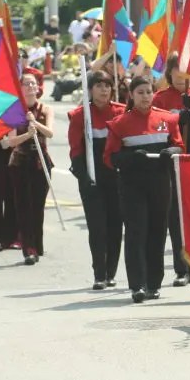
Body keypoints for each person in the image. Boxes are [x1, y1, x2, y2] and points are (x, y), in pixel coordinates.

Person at [104, 77, 184, 303]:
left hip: (160, 182)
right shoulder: (120, 123)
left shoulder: (167, 119)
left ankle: (153, 283)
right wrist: (129, 159)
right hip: (132, 185)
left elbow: (180, 147)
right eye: (140, 92)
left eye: (148, 92)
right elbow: (109, 157)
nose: (145, 96)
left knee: (158, 233)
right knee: (136, 232)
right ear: (131, 94)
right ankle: (137, 285)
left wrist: (172, 150)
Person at [152, 52, 190, 286]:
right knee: (175, 217)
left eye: (186, 71)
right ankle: (181, 268)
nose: (181, 76)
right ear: (169, 72)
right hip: (171, 162)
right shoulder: (160, 99)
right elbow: (156, 128)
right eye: (177, 71)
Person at [68, 71, 125, 290]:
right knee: (97, 227)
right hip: (92, 179)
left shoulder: (120, 112)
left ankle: (111, 272)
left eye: (107, 85)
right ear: (90, 89)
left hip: (117, 178)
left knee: (114, 226)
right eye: (99, 85)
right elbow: (76, 151)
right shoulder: (81, 115)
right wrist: (85, 179)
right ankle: (99, 273)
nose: (104, 90)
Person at [0, 72, 55, 264]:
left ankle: (37, 245)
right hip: (20, 162)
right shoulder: (14, 112)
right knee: (23, 206)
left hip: (40, 161)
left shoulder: (45, 109)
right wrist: (27, 134)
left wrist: (35, 123)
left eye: (34, 84)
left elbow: (50, 132)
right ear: (20, 88)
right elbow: (8, 142)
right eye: (27, 84)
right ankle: (28, 248)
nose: (31, 87)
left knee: (37, 207)